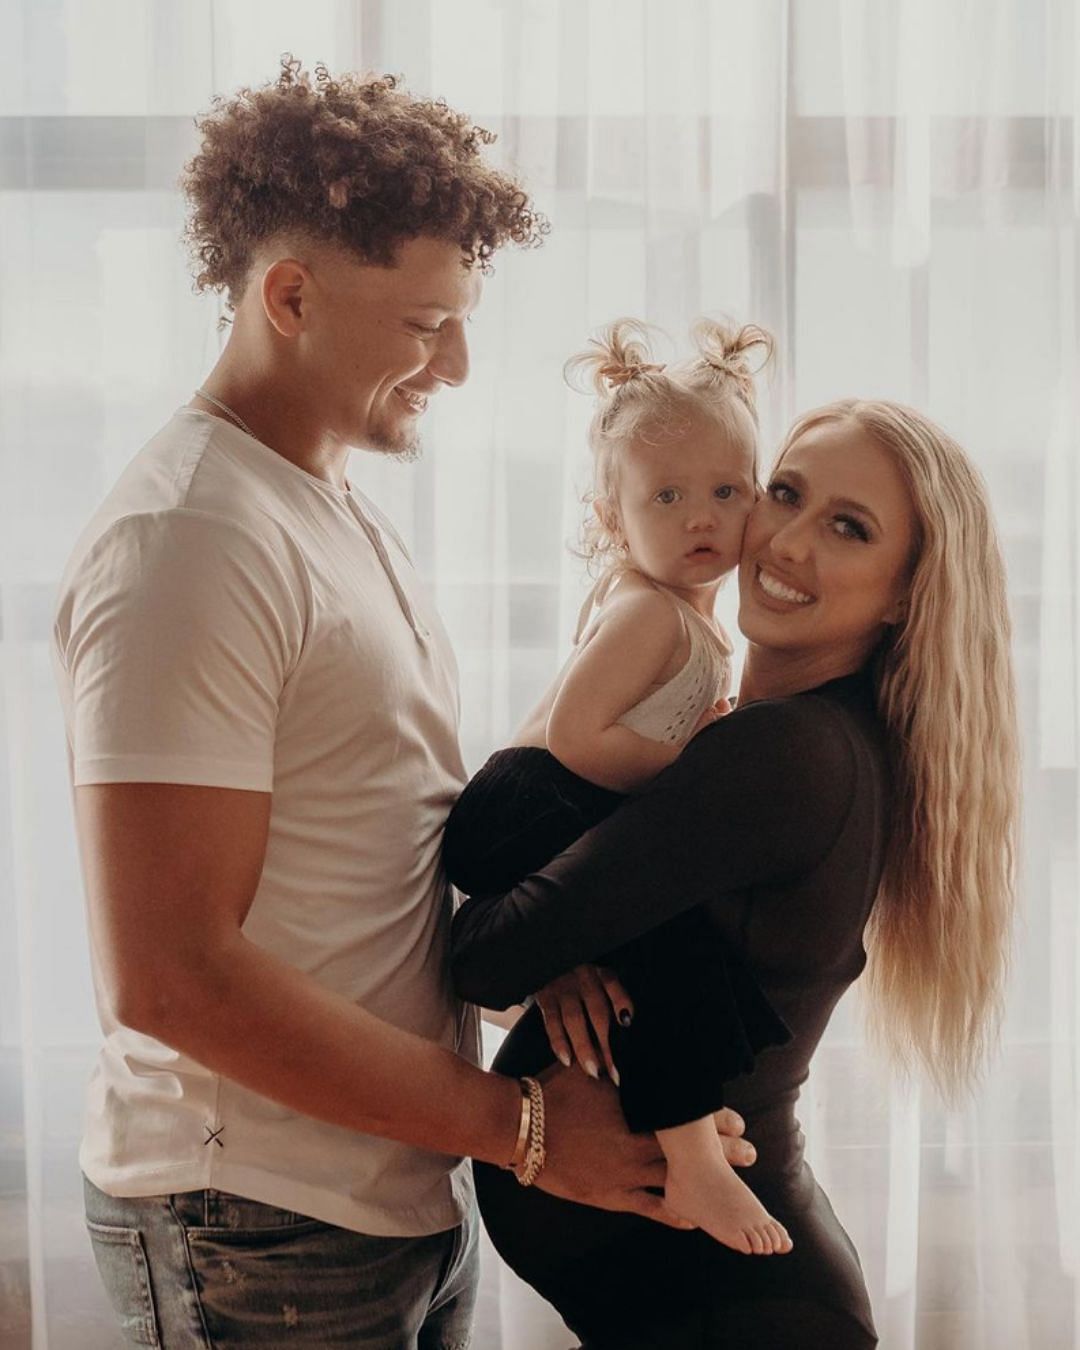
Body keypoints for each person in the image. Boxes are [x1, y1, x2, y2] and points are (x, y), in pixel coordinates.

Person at [52, 59, 753, 1348]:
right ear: (290, 296)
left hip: (387, 1198)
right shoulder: (191, 538)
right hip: (252, 1221)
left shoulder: (321, 511)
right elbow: (170, 978)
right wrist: (527, 1132)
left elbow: (369, 860)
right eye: (429, 325)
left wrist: (552, 968)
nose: (462, 365)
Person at [451, 398, 1021, 1348]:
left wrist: (552, 953)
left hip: (741, 1314)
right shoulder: (805, 736)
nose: (787, 542)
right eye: (785, 494)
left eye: (848, 527)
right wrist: (565, 955)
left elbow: (476, 957)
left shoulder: (783, 754)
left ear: (903, 595)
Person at [443, 316, 794, 1256]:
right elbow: (576, 736)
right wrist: (694, 778)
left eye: (727, 490)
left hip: (552, 805)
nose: (700, 518)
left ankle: (691, 1134)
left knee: (672, 952)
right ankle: (693, 1156)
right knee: (673, 939)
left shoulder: (689, 618)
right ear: (612, 519)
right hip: (528, 801)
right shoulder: (650, 614)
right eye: (667, 495)